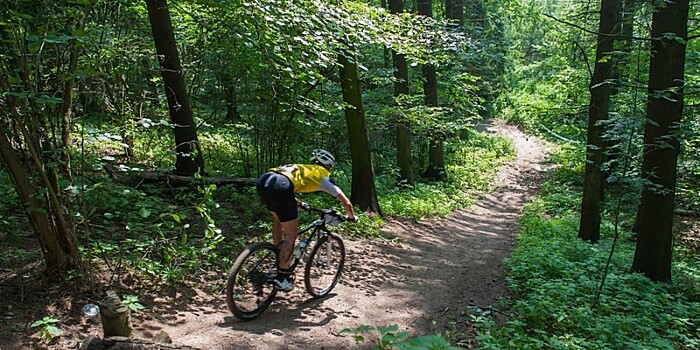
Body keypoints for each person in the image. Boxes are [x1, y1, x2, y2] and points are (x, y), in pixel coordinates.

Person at [255, 149, 357, 291]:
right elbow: (346, 203)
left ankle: (279, 252)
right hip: (281, 186)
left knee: (278, 219)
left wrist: (297, 202)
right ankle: (281, 277)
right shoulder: (323, 176)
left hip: (265, 180)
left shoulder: (303, 168)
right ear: (327, 166)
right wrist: (352, 217)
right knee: (292, 235)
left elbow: (284, 184)